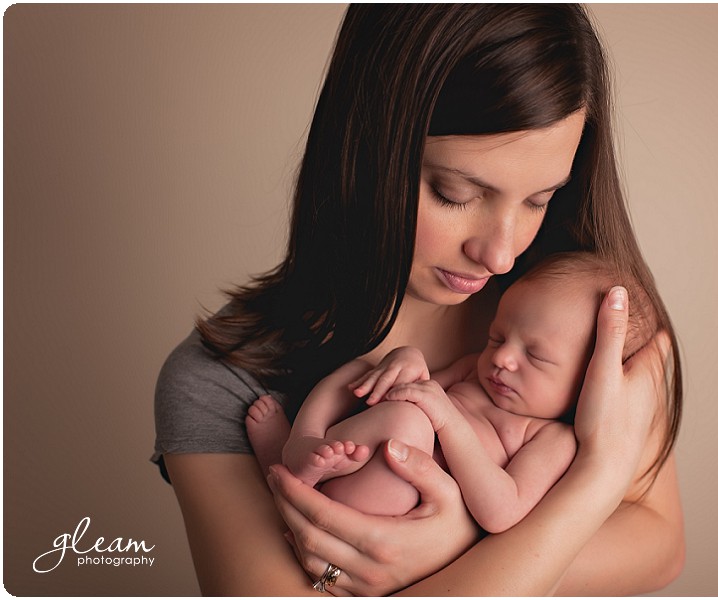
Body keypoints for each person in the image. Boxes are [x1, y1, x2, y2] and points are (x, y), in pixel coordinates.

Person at [153, 4, 685, 596]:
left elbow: (659, 544)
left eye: (540, 200)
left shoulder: (582, 328)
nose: (501, 255)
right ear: (365, 150)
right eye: (455, 194)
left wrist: (461, 544)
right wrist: (584, 492)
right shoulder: (221, 381)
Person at [246, 252, 658, 534]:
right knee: (369, 367)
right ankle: (301, 445)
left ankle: (296, 482)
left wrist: (446, 419)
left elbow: (503, 511)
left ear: (591, 379)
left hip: (391, 507)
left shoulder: (550, 437)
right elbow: (415, 386)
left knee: (411, 420)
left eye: (535, 355)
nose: (502, 359)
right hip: (357, 456)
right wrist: (405, 361)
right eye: (498, 337)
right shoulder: (473, 370)